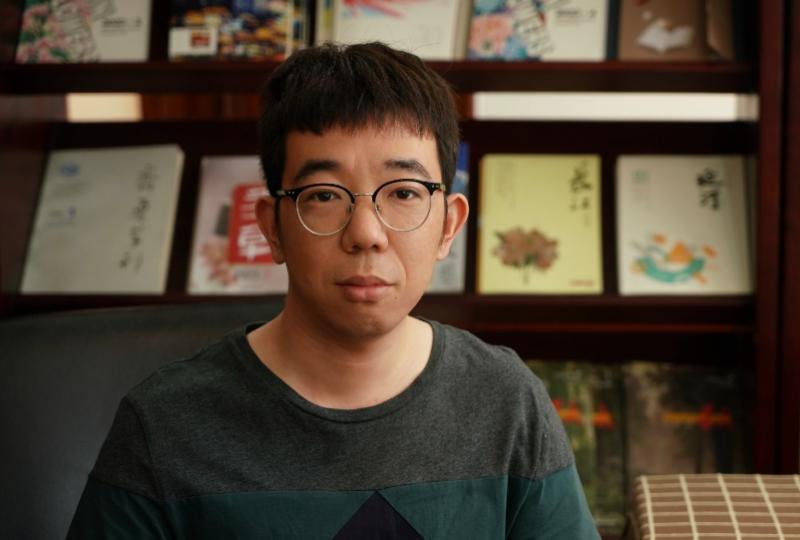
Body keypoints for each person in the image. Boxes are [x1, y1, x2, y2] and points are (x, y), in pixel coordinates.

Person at [67, 42, 599, 539]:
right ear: (272, 227)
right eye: (324, 195)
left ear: (448, 226)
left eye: (404, 193)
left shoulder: (506, 400)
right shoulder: (164, 426)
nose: (366, 233)